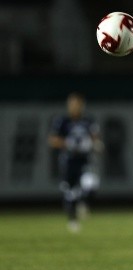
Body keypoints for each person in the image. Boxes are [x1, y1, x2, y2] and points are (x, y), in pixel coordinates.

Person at [48, 92, 102, 233]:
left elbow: (95, 138)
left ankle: (83, 203)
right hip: (69, 161)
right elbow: (53, 140)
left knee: (91, 183)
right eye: (72, 104)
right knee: (70, 193)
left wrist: (96, 144)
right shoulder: (62, 121)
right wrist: (69, 143)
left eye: (77, 104)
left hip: (85, 160)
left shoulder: (88, 121)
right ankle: (72, 221)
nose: (75, 107)